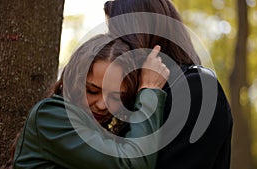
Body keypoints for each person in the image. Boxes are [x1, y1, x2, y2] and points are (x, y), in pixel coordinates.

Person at [104, 0, 233, 169]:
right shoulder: (135, 96)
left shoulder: (198, 88)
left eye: (114, 36)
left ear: (137, 36)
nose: (111, 47)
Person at [11, 34, 170, 169]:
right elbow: (133, 164)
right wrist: (150, 91)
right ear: (74, 82)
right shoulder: (50, 117)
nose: (102, 105)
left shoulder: (101, 130)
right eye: (92, 90)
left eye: (115, 97)